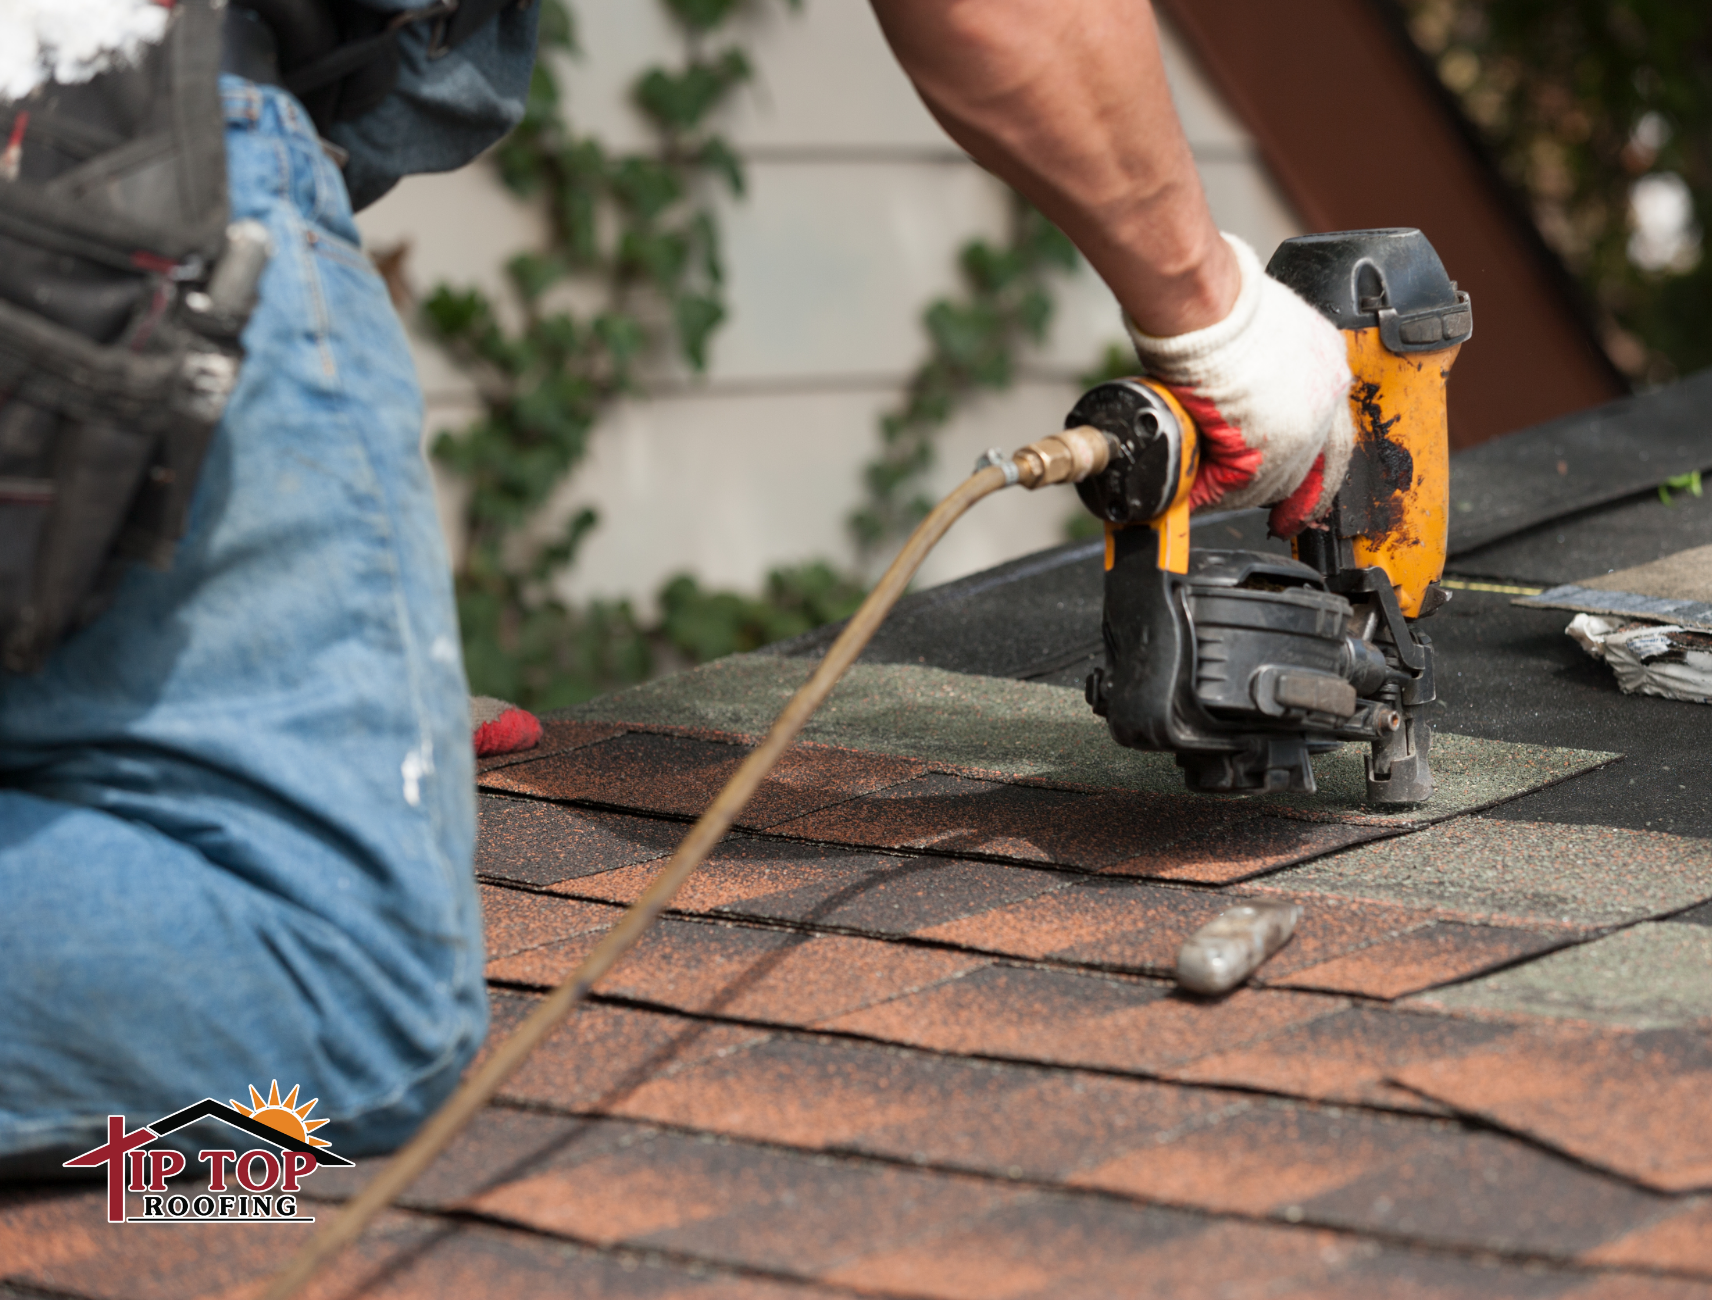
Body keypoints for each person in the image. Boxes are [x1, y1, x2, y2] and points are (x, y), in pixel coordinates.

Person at [0, 0, 1352, 1172]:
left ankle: (122, 1194)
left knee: (201, 1163)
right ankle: (143, 1189)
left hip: (83, 139)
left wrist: (352, 678)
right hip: (93, 126)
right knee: (341, 1039)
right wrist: (1211, 311)